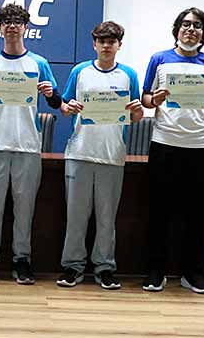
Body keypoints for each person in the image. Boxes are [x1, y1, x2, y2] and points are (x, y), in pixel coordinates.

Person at [0, 3, 61, 284]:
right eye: (6, 22)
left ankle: (22, 260)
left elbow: (56, 102)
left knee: (25, 208)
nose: (11, 26)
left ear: (26, 27)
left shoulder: (39, 63)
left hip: (28, 145)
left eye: (17, 22)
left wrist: (50, 93)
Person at [140, 7, 204, 294]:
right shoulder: (159, 59)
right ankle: (155, 272)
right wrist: (155, 99)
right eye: (186, 24)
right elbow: (145, 98)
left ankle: (194, 275)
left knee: (198, 216)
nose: (191, 29)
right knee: (159, 213)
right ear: (177, 29)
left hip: (199, 146)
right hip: (164, 143)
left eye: (198, 25)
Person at [55, 21, 143, 290]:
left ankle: (104, 267)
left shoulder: (129, 74)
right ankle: (73, 266)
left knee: (107, 218)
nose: (106, 45)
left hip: (112, 154)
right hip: (80, 152)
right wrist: (68, 107)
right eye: (102, 41)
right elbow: (63, 106)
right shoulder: (80, 71)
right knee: (76, 216)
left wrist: (137, 110)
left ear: (119, 45)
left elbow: (136, 116)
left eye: (111, 41)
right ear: (94, 44)